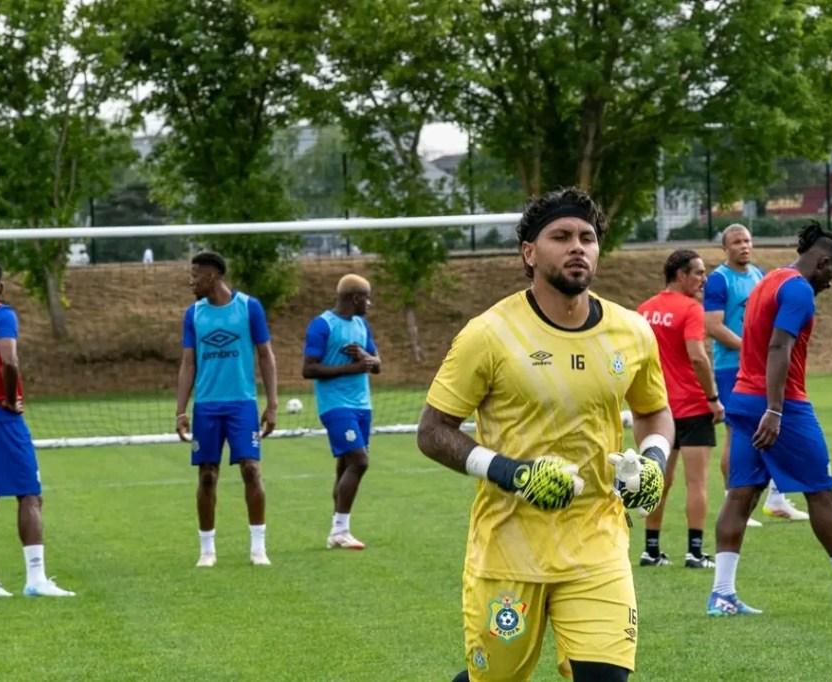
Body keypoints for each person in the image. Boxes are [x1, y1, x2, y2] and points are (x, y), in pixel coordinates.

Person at [416, 188, 674, 682]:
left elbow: (654, 411)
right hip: (510, 546)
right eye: (561, 236)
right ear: (529, 252)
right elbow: (432, 432)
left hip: (596, 540)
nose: (578, 246)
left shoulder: (632, 331)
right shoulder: (488, 334)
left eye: (587, 237)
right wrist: (512, 473)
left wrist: (654, 462)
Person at [707, 221, 832, 616]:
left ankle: (722, 594)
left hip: (742, 399)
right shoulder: (798, 288)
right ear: (821, 260)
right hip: (781, 404)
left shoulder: (767, 280)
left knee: (741, 494)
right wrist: (776, 409)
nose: (831, 281)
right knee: (823, 493)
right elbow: (779, 346)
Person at [175, 251, 278, 567]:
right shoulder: (193, 314)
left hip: (242, 405)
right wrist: (181, 410)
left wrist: (272, 404)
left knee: (251, 469)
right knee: (207, 476)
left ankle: (258, 548)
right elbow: (188, 363)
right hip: (206, 406)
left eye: (194, 275)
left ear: (211, 277)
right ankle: (207, 550)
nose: (190, 281)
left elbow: (266, 356)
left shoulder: (249, 308)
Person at [704, 224, 808, 525]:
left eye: (747, 240)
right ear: (725, 248)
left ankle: (776, 499)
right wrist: (751, 347)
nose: (743, 246)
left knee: (780, 425)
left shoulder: (760, 276)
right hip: (732, 367)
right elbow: (713, 326)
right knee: (736, 434)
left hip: (764, 364)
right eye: (736, 242)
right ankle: (731, 500)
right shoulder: (719, 280)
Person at [636, 250, 723, 569]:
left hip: (657, 409)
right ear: (680, 274)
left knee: (659, 479)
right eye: (699, 273)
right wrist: (713, 398)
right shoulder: (690, 309)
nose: (703, 279)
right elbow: (698, 356)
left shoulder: (643, 310)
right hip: (692, 405)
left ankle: (651, 550)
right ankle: (695, 552)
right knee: (696, 482)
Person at [0, 261, 75, 598]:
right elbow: (9, 360)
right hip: (2, 417)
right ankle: (36, 579)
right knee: (30, 493)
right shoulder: (1, 314)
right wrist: (11, 399)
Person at [302, 274, 381, 550]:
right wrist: (352, 367)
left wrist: (365, 357)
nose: (369, 304)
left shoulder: (361, 325)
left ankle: (337, 529)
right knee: (360, 461)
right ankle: (340, 530)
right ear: (356, 298)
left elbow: (376, 363)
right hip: (335, 404)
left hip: (362, 405)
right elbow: (308, 369)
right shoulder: (322, 325)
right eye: (366, 298)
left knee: (346, 465)